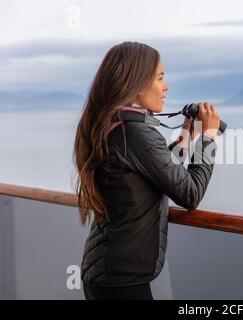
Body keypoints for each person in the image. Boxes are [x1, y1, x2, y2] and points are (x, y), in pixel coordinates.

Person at [73, 41, 220, 300]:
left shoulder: (114, 124)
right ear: (138, 85)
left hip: (108, 274)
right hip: (122, 281)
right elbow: (190, 193)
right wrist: (208, 136)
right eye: (160, 78)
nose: (166, 86)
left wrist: (186, 136)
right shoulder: (135, 132)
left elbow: (156, 169)